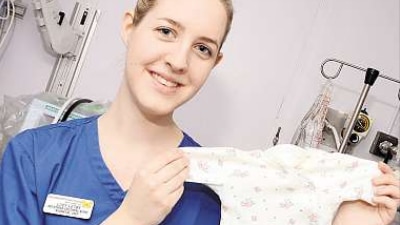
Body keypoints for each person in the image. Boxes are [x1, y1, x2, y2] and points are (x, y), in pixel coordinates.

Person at [0, 0, 399, 224]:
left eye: (202, 48)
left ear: (215, 62)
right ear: (129, 27)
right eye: (166, 31)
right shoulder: (34, 157)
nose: (178, 60)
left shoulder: (220, 188)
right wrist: (132, 219)